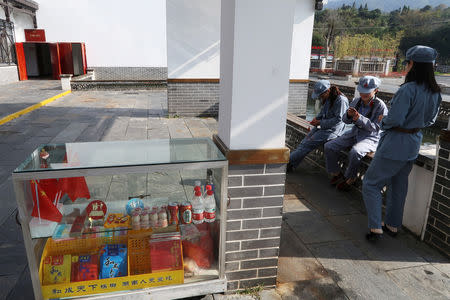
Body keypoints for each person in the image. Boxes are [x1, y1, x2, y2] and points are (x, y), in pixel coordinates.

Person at [362, 45, 442, 242]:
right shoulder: (435, 91)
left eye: (407, 62)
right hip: (413, 143)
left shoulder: (408, 89)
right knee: (399, 186)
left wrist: (383, 120)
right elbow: (431, 121)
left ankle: (375, 227)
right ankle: (392, 225)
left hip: (395, 142)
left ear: (412, 64)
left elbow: (395, 119)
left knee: (371, 184)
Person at [324, 76, 388, 191]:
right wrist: (349, 115)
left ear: (376, 90)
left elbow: (377, 128)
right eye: (362, 92)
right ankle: (337, 173)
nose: (363, 95)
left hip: (371, 137)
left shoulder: (380, 106)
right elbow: (345, 120)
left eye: (367, 92)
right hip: (355, 133)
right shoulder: (356, 101)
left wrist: (359, 118)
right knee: (329, 146)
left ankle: (350, 178)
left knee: (355, 152)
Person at [288, 80, 349, 171]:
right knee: (303, 143)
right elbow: (322, 113)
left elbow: (339, 120)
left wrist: (320, 122)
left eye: (321, 95)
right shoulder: (328, 98)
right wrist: (316, 119)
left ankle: (285, 163)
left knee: (306, 145)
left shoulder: (341, 100)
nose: (320, 98)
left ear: (327, 91)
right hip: (322, 127)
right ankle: (291, 165)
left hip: (332, 131)